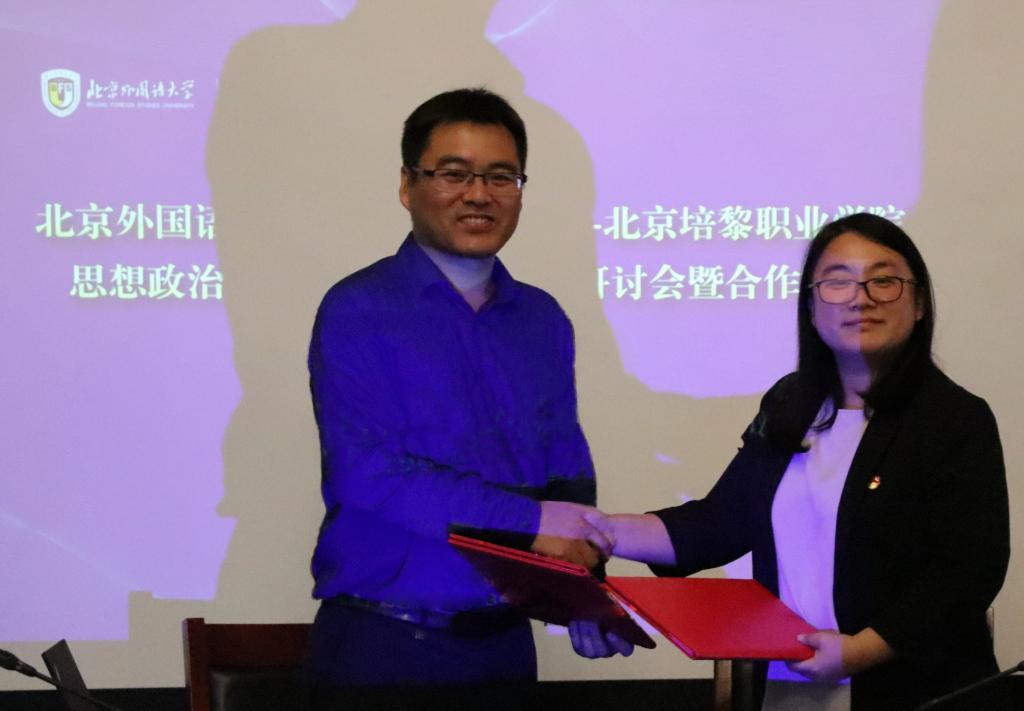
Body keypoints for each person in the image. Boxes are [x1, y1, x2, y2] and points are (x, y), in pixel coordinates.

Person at [579, 213, 1010, 710]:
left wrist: (861, 651)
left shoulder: (953, 418)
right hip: (794, 685)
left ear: (918, 305)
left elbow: (968, 572)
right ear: (811, 306)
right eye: (838, 281)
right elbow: (719, 524)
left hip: (913, 690)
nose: (861, 297)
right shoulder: (790, 405)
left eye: (884, 280)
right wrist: (597, 530)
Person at [304, 88, 611, 692]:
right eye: (454, 174)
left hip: (506, 648)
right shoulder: (358, 310)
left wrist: (584, 587)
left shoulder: (542, 319)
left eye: (501, 176)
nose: (479, 194)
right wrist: (530, 520)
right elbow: (367, 475)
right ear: (407, 185)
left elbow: (566, 467)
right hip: (386, 647)